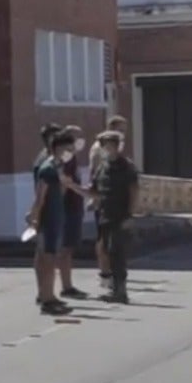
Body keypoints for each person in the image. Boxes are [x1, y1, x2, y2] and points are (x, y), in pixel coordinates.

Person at [26, 127, 75, 316]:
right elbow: (40, 197)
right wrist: (34, 217)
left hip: (57, 215)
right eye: (67, 148)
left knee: (52, 257)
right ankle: (46, 299)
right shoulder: (47, 168)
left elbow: (62, 189)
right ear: (57, 148)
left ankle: (50, 296)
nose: (70, 152)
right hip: (48, 219)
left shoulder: (58, 166)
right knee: (47, 259)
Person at [91, 130, 139, 304]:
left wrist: (130, 215)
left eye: (110, 145)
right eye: (104, 146)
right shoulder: (102, 167)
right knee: (106, 251)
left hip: (120, 215)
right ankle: (114, 288)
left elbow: (133, 191)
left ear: (117, 147)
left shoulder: (126, 166)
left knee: (117, 252)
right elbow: (95, 189)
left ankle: (121, 291)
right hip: (105, 215)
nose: (107, 149)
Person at [57, 126, 91, 300]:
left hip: (74, 206)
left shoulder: (72, 157)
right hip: (68, 208)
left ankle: (68, 284)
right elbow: (64, 182)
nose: (81, 141)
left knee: (69, 248)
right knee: (65, 248)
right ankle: (66, 286)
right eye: (77, 137)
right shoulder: (66, 157)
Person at [97, 116, 128, 282]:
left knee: (115, 244)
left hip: (117, 206)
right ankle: (105, 273)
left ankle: (115, 277)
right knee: (104, 241)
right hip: (104, 203)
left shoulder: (122, 159)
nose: (124, 134)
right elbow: (97, 174)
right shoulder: (99, 150)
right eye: (120, 130)